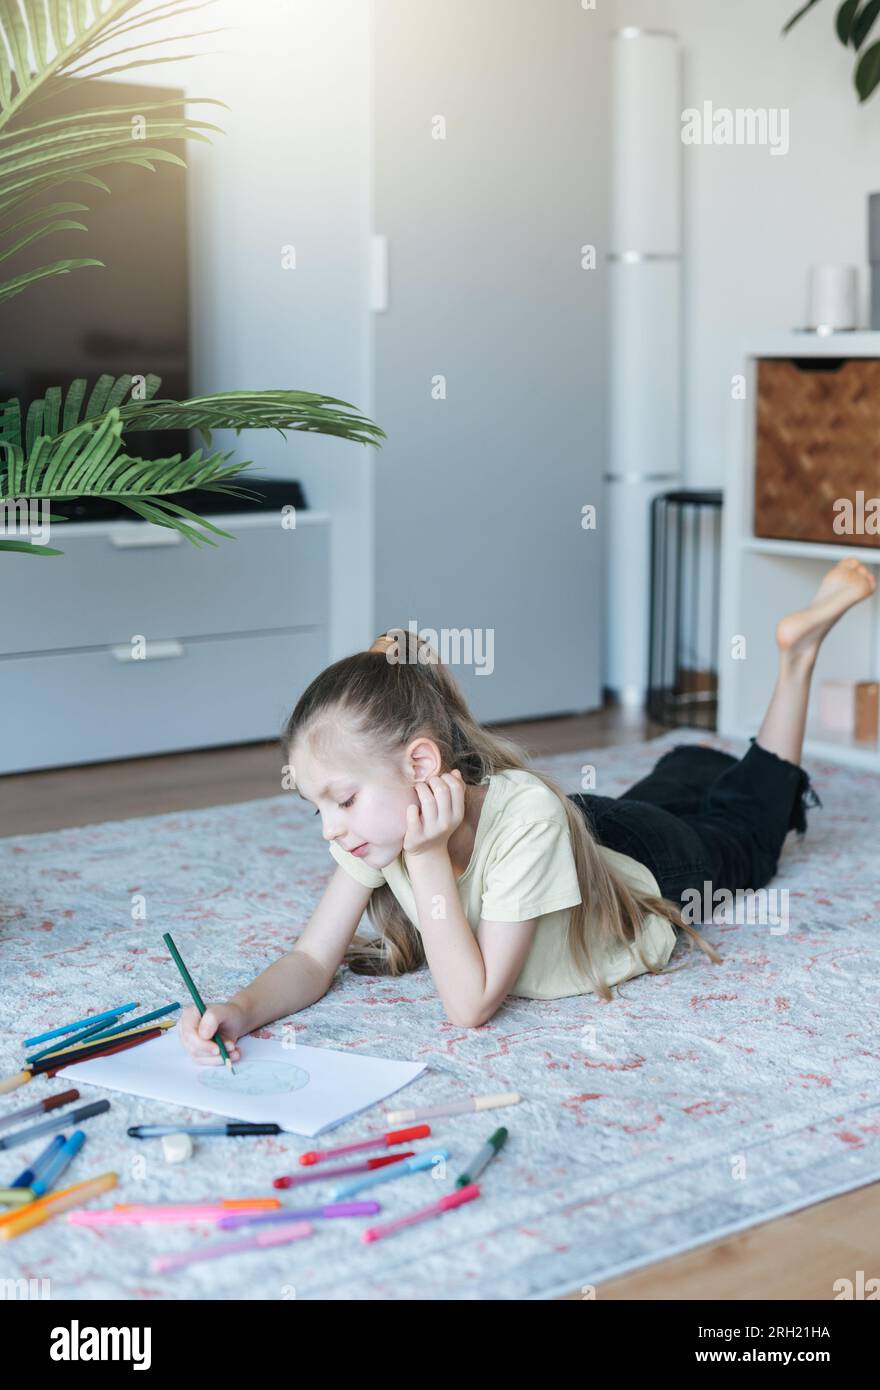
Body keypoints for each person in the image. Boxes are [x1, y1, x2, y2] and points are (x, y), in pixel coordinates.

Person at [177, 556, 876, 1057]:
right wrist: (240, 1010)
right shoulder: (376, 830)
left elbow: (469, 1004)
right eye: (319, 809)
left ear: (420, 765)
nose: (332, 828)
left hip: (642, 863)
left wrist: (425, 860)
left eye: (343, 800)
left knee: (745, 834)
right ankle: (695, 758)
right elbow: (310, 957)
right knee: (678, 784)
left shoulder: (452, 830)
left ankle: (798, 656)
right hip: (572, 839)